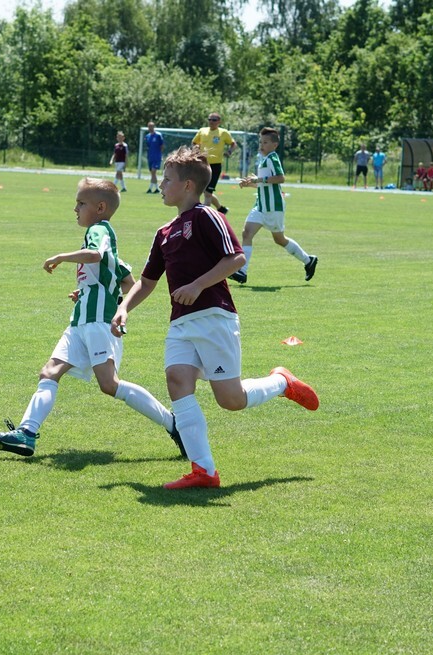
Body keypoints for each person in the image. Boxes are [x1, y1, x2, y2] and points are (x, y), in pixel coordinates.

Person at [113, 146, 319, 489]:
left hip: (214, 316)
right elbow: (148, 283)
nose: (162, 185)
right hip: (180, 323)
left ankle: (282, 381)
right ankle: (204, 470)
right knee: (177, 381)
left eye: (167, 180)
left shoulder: (208, 216)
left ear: (189, 186)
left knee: (231, 400)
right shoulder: (164, 232)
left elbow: (236, 259)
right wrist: (123, 308)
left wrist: (196, 285)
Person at [0, 177, 184, 458]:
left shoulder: (99, 230)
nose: (75, 209)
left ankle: (175, 424)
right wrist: (88, 292)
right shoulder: (111, 247)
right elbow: (126, 282)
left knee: (109, 384)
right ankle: (26, 434)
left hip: (98, 323)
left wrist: (62, 257)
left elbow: (95, 255)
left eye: (81, 203)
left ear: (100, 207)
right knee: (49, 372)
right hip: (80, 322)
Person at [229, 127, 317, 285]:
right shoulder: (263, 160)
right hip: (260, 206)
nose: (261, 145)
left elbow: (280, 178)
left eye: (265, 142)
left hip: (273, 207)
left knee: (279, 239)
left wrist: (259, 180)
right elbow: (265, 184)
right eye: (260, 142)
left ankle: (308, 260)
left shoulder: (272, 158)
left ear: (275, 145)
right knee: (246, 233)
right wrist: (250, 183)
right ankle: (242, 272)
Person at [191, 112, 237, 215]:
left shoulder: (223, 133)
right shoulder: (202, 131)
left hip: (215, 166)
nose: (211, 122)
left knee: (207, 193)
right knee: (205, 191)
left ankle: (204, 215)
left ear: (219, 122)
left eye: (214, 120)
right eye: (210, 119)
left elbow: (233, 144)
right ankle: (221, 209)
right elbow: (194, 142)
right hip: (203, 164)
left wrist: (229, 152)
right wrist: (196, 149)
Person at [144, 121, 164, 194]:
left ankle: (150, 188)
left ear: (154, 127)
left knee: (153, 172)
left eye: (151, 126)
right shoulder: (147, 136)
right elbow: (147, 146)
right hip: (150, 157)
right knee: (152, 173)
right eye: (149, 126)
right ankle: (156, 189)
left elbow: (162, 146)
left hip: (156, 157)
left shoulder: (158, 135)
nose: (150, 128)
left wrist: (159, 155)